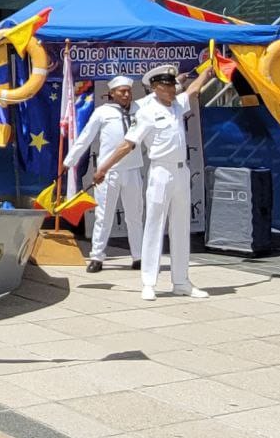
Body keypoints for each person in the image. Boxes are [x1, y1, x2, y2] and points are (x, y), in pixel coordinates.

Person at [94, 63, 213, 302]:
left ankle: (181, 281)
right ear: (156, 88)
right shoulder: (147, 113)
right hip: (160, 172)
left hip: (181, 172)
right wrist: (103, 168)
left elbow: (193, 91)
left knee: (181, 227)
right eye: (167, 85)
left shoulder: (178, 105)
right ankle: (149, 282)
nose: (173, 89)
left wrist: (206, 72)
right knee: (154, 226)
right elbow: (128, 145)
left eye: (173, 85)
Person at [64, 75, 143, 273]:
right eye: (121, 91)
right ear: (112, 93)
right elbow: (86, 137)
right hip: (109, 172)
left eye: (128, 91)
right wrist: (70, 161)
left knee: (135, 215)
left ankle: (139, 256)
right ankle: (97, 257)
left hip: (132, 169)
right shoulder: (103, 112)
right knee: (104, 216)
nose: (126, 94)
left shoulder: (139, 110)